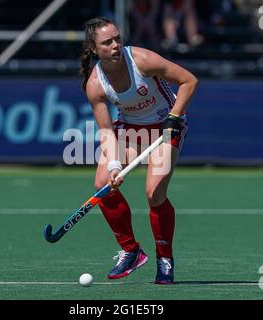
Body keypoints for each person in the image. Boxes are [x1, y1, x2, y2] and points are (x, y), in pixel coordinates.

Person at [79, 17, 198, 284]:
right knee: (102, 185)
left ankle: (164, 259)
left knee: (154, 193)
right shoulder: (95, 85)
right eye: (107, 42)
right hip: (130, 130)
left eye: (117, 38)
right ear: (94, 49)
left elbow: (189, 81)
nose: (115, 45)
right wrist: (113, 167)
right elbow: (106, 131)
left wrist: (174, 116)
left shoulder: (142, 59)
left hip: (166, 127)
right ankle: (131, 250)